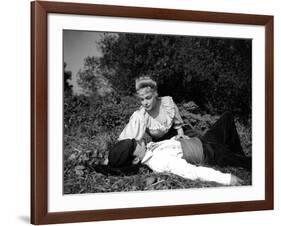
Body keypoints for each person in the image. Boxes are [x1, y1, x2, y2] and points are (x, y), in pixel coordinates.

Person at [94, 112, 250, 186]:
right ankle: (237, 160)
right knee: (251, 164)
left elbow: (167, 146)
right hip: (212, 153)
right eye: (134, 144)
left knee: (227, 117)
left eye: (133, 139)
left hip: (203, 141)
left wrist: (177, 139)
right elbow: (192, 173)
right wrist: (227, 179)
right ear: (135, 159)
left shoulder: (148, 149)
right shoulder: (160, 162)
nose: (138, 140)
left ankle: (236, 155)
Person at [118, 76, 186, 142]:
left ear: (155, 94)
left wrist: (180, 135)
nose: (145, 103)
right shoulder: (141, 115)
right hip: (160, 144)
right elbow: (129, 137)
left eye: (148, 98)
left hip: (176, 137)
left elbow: (179, 126)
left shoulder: (167, 103)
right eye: (142, 99)